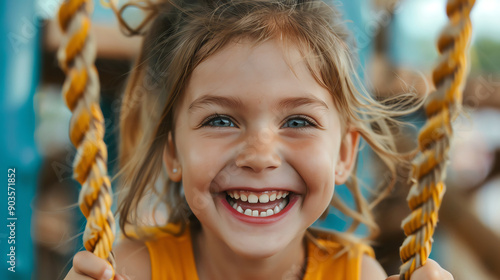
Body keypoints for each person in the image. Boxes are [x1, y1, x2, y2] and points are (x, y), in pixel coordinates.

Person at [64, 0, 454, 279]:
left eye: (299, 121)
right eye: (220, 119)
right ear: (173, 152)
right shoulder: (134, 269)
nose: (260, 155)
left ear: (344, 153)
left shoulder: (352, 273)